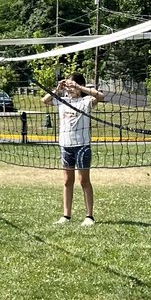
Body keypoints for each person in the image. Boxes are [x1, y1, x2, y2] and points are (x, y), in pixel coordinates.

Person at [41, 72, 106, 226]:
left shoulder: (86, 101)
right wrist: (58, 89)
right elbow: (45, 100)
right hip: (65, 145)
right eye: (67, 86)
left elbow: (101, 96)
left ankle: (89, 216)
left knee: (84, 180)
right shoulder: (62, 101)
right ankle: (66, 215)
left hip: (82, 145)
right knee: (67, 181)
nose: (69, 89)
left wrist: (79, 87)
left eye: (71, 86)